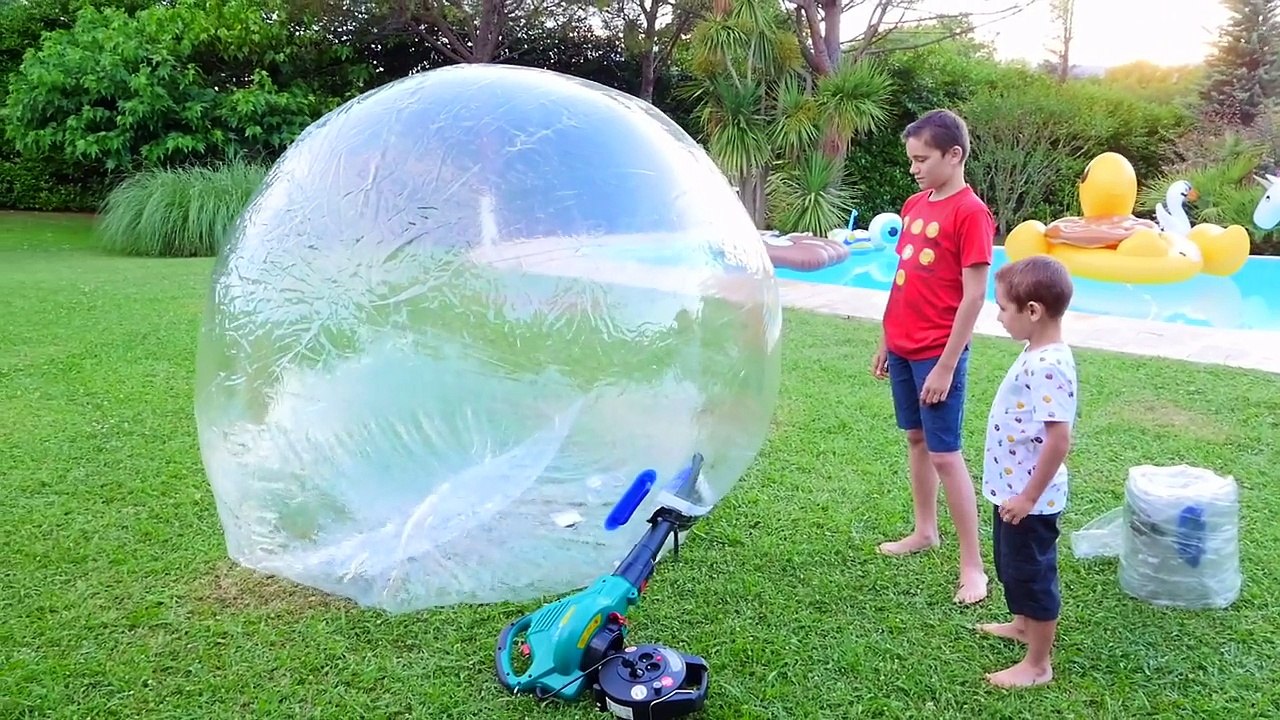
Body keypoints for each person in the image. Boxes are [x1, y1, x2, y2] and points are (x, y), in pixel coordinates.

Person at [871, 108, 995, 606]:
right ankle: (925, 531)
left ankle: (974, 566)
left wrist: (946, 363)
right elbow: (903, 279)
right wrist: (885, 336)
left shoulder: (970, 213)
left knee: (946, 452)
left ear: (954, 155)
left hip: (936, 352)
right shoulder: (913, 205)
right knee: (916, 440)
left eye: (922, 159)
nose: (914, 168)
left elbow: (974, 296)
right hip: (902, 344)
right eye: (912, 160)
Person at [977, 255, 1078, 689]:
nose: (999, 316)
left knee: (1034, 575)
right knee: (1012, 566)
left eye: (1003, 307)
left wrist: (1028, 498)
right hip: (1012, 490)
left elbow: (1059, 439)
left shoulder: (1048, 365)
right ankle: (1021, 624)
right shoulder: (1035, 351)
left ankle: (1038, 664)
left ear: (1032, 311)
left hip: (1028, 499)